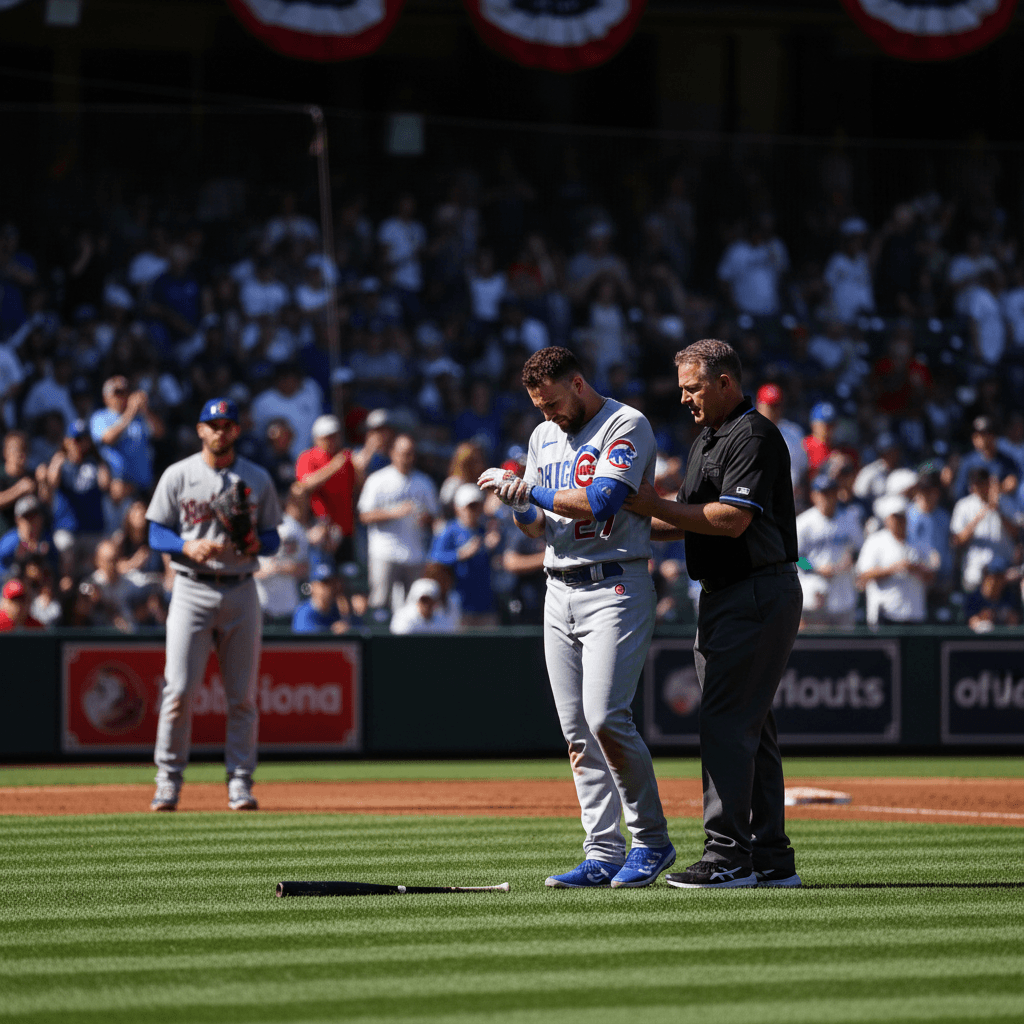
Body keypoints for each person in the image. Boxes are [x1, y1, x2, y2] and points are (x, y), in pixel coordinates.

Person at [479, 345, 674, 889]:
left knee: (607, 716)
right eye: (539, 405)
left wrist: (530, 488)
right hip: (557, 585)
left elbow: (604, 500)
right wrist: (518, 502)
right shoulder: (543, 436)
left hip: (615, 582)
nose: (548, 414)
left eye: (553, 401)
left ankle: (652, 842)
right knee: (576, 731)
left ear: (579, 384)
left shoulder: (625, 423)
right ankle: (603, 850)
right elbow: (537, 527)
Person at [621, 338, 803, 889]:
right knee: (753, 728)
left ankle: (727, 856)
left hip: (755, 590)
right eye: (681, 388)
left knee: (726, 723)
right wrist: (612, 522)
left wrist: (651, 505)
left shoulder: (752, 435)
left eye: (693, 387)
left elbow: (730, 520)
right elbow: (685, 519)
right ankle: (770, 856)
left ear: (726, 382)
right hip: (731, 593)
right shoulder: (710, 439)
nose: (684, 398)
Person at [145, 397, 282, 812]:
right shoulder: (179, 474)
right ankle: (168, 781)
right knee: (179, 691)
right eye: (213, 424)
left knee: (242, 697)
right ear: (201, 429)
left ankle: (240, 782)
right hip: (191, 587)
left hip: (241, 588)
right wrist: (186, 544)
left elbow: (273, 536)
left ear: (237, 430)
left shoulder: (256, 477)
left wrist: (258, 542)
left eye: (227, 425)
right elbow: (155, 533)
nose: (220, 431)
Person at [357, 434, 439, 610]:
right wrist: (393, 512)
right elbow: (364, 515)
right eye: (403, 453)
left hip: (414, 553)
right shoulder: (377, 480)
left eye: (410, 453)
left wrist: (426, 518)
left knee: (414, 606)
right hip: (384, 552)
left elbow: (434, 517)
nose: (407, 458)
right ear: (393, 453)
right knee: (380, 603)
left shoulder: (423, 482)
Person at [428, 483, 501, 627]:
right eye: (470, 506)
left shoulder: (485, 530)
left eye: (476, 506)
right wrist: (460, 554)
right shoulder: (449, 531)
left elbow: (497, 562)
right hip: (458, 604)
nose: (473, 511)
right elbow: (434, 558)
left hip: (485, 603)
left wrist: (495, 547)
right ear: (458, 508)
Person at [855, 495, 936, 626]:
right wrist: (894, 568)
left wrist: (915, 568)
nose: (899, 521)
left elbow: (931, 576)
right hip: (885, 614)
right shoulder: (875, 542)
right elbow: (863, 576)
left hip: (914, 614)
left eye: (902, 516)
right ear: (887, 519)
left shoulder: (918, 542)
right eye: (895, 517)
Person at [796, 473, 863, 629]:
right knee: (816, 645)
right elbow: (796, 557)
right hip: (814, 590)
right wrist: (816, 569)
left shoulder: (849, 519)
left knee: (845, 646)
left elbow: (859, 549)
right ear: (814, 495)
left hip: (843, 591)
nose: (827, 497)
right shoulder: (804, 522)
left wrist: (851, 559)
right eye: (823, 493)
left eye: (831, 492)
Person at [294, 414, 357, 564]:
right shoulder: (307, 457)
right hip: (320, 528)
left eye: (335, 436)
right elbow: (305, 484)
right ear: (317, 438)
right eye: (327, 437)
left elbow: (358, 486)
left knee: (346, 574)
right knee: (321, 576)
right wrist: (334, 466)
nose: (332, 440)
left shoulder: (346, 456)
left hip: (345, 528)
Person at [89, 375, 165, 491]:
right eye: (118, 392)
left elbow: (160, 433)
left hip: (144, 485)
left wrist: (145, 410)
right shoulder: (99, 417)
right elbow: (108, 438)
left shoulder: (140, 417)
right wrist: (130, 412)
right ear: (105, 398)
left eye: (126, 391)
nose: (123, 396)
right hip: (119, 488)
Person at [291, 564, 350, 634]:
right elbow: (308, 640)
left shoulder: (336, 609)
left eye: (331, 583)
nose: (328, 588)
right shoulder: (303, 612)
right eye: (324, 583)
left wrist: (347, 619)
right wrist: (333, 631)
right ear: (312, 586)